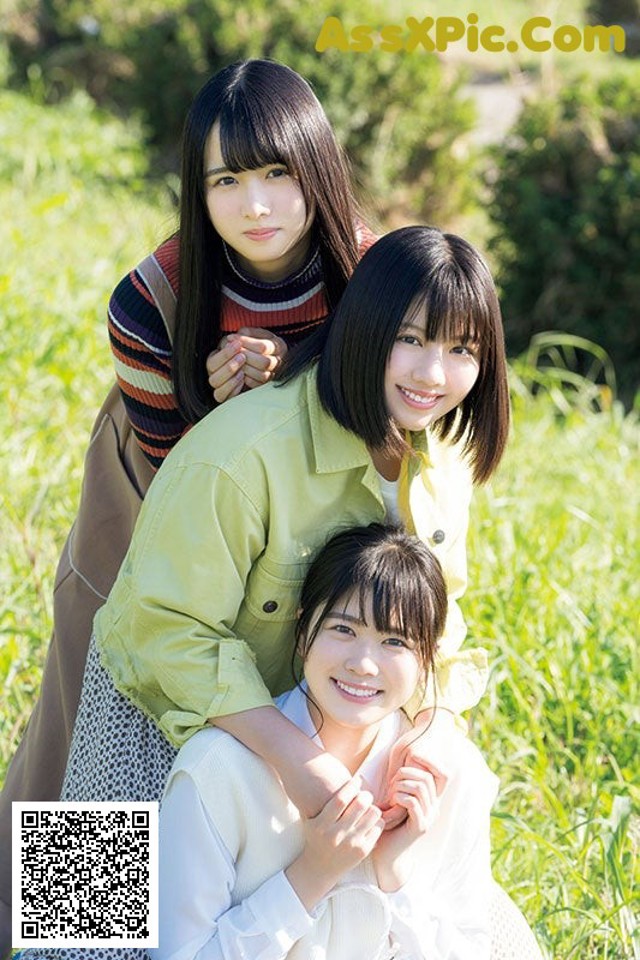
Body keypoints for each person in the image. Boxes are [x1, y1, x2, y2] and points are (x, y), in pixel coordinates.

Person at [12, 226, 542, 960]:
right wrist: (296, 756)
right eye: (411, 339)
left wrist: (425, 733)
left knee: (475, 930)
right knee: (81, 944)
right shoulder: (242, 453)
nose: (433, 373)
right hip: (154, 696)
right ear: (362, 331)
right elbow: (160, 632)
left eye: (463, 350)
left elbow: (436, 622)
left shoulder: (443, 453)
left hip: (321, 705)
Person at [0, 57, 376, 951]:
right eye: (227, 180)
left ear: (316, 167)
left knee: (279, 696)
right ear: (195, 190)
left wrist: (299, 383)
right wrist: (223, 407)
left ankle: (233, 923)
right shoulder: (151, 300)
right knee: (106, 675)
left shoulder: (369, 271)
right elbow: (189, 499)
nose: (257, 206)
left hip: (316, 502)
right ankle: (64, 930)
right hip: (154, 487)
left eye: (279, 173)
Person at [154, 523, 499, 960]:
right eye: (343, 630)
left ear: (427, 659)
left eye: (394, 641)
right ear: (302, 632)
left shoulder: (451, 772)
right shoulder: (216, 768)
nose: (364, 664)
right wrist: (310, 875)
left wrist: (396, 874)